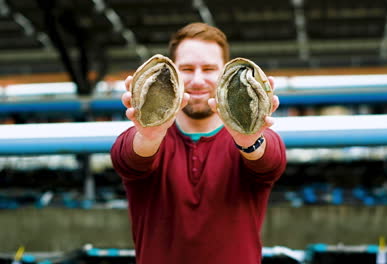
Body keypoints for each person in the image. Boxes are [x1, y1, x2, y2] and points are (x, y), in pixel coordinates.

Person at [110, 22, 286, 264]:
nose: (198, 80)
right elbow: (127, 160)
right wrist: (149, 136)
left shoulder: (255, 142)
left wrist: (249, 140)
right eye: (187, 68)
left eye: (209, 68)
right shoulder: (144, 139)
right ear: (172, 72)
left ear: (224, 72)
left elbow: (271, 162)